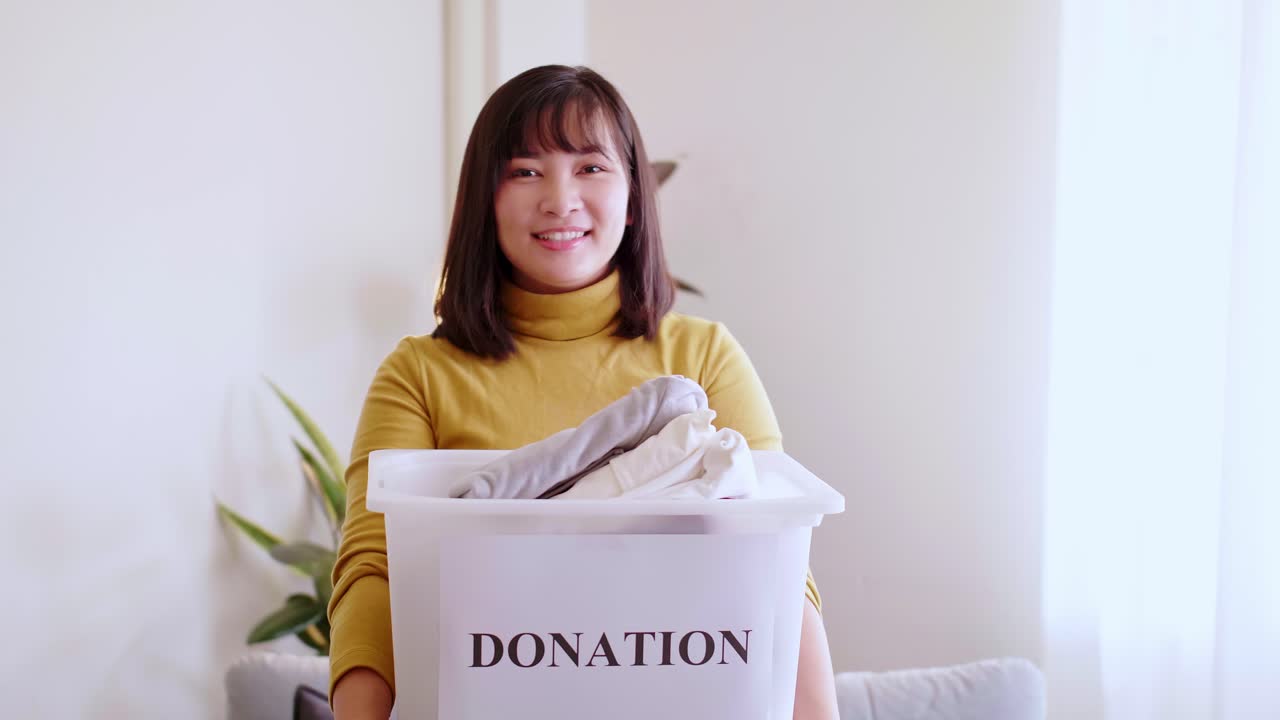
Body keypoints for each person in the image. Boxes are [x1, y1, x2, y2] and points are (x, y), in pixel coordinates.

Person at [328, 64, 838, 719]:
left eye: (590, 167)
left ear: (634, 199)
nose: (560, 199)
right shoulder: (419, 374)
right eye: (525, 171)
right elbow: (375, 568)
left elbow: (777, 565)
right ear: (486, 200)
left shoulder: (704, 357)